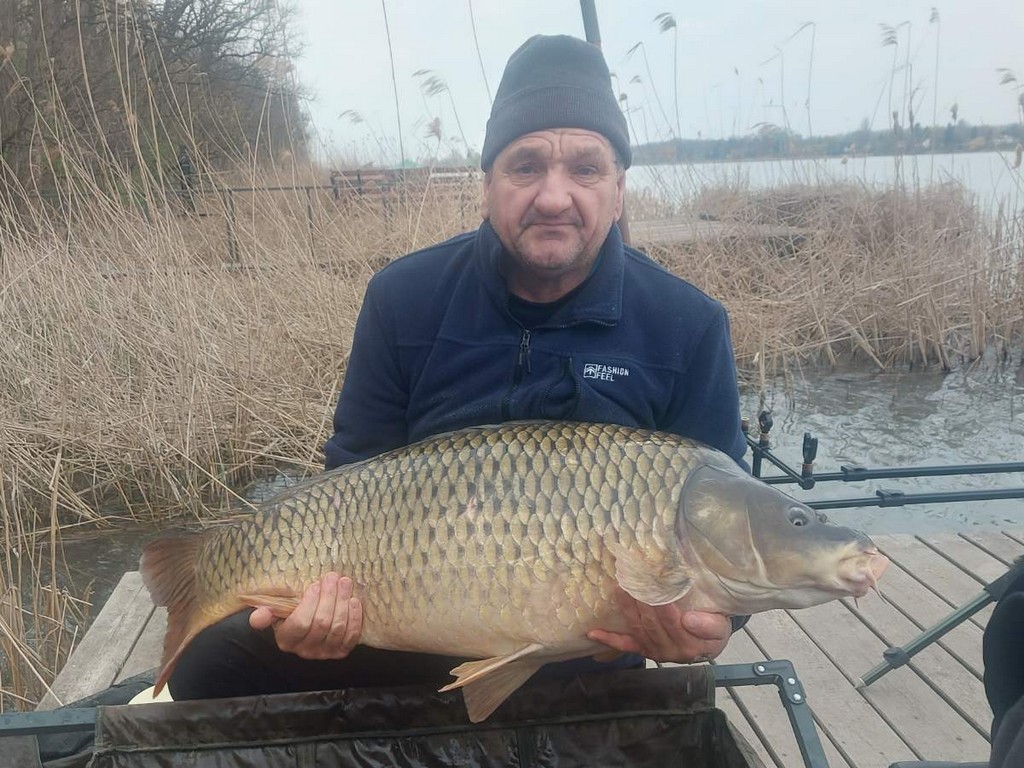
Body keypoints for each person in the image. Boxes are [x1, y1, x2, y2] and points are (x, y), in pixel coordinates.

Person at [169, 33, 748, 702]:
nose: (554, 196)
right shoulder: (404, 297)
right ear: (486, 186)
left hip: (585, 655)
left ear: (618, 191)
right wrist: (322, 612)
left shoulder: (687, 323)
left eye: (586, 169)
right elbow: (353, 479)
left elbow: (728, 528)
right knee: (205, 668)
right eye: (526, 166)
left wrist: (716, 625)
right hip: (404, 628)